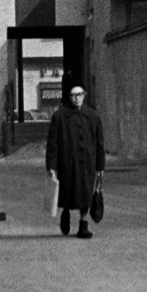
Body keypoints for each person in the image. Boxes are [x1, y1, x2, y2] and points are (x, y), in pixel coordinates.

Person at [46, 75, 105, 239]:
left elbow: (100, 143)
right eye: (73, 95)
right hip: (66, 163)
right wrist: (51, 166)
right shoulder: (59, 117)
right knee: (68, 193)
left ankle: (83, 225)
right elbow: (53, 144)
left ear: (84, 95)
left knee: (86, 195)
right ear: (68, 97)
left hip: (88, 164)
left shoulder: (93, 116)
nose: (77, 98)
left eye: (79, 94)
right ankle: (65, 213)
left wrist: (100, 167)